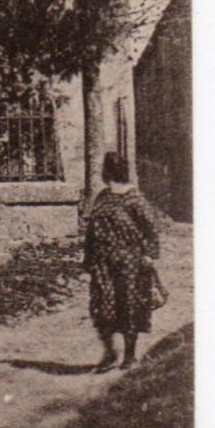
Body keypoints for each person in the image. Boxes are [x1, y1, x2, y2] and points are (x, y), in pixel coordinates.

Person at [84, 151, 161, 371]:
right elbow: (91, 230)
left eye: (105, 168)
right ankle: (109, 353)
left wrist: (149, 255)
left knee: (129, 306)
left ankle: (129, 356)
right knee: (100, 306)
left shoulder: (133, 198)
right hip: (103, 263)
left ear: (110, 171)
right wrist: (88, 259)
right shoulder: (103, 196)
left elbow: (151, 229)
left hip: (130, 263)